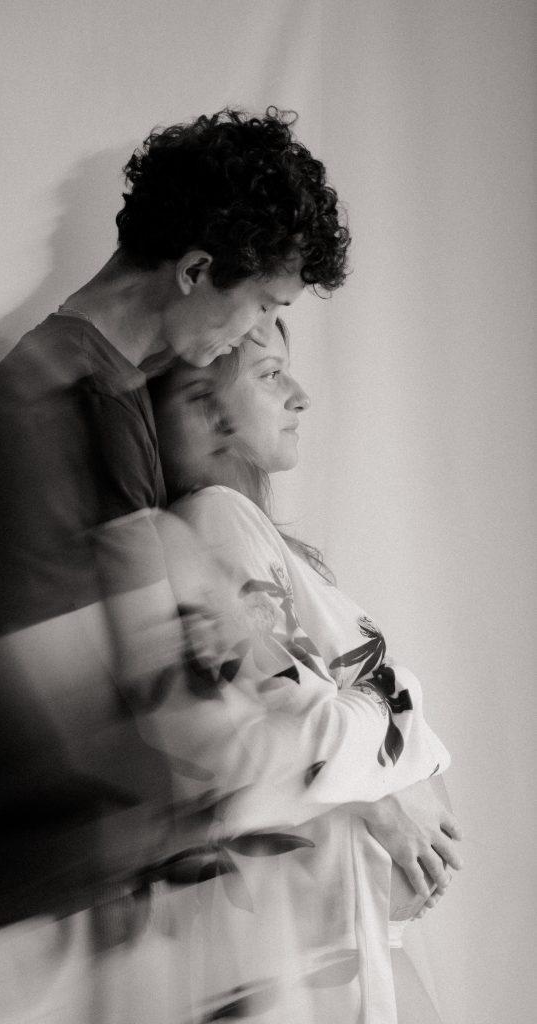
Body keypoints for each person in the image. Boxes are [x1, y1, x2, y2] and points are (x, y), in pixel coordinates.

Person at [0, 108, 351, 1022]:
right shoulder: (28, 402)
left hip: (60, 919)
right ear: (195, 269)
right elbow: (62, 720)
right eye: (265, 306)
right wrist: (302, 764)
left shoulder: (127, 404)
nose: (259, 335)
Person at [136, 319, 462, 1022]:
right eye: (269, 374)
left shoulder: (241, 529)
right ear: (203, 407)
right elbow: (299, 726)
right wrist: (391, 787)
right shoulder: (217, 519)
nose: (299, 394)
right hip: (312, 941)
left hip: (333, 929)